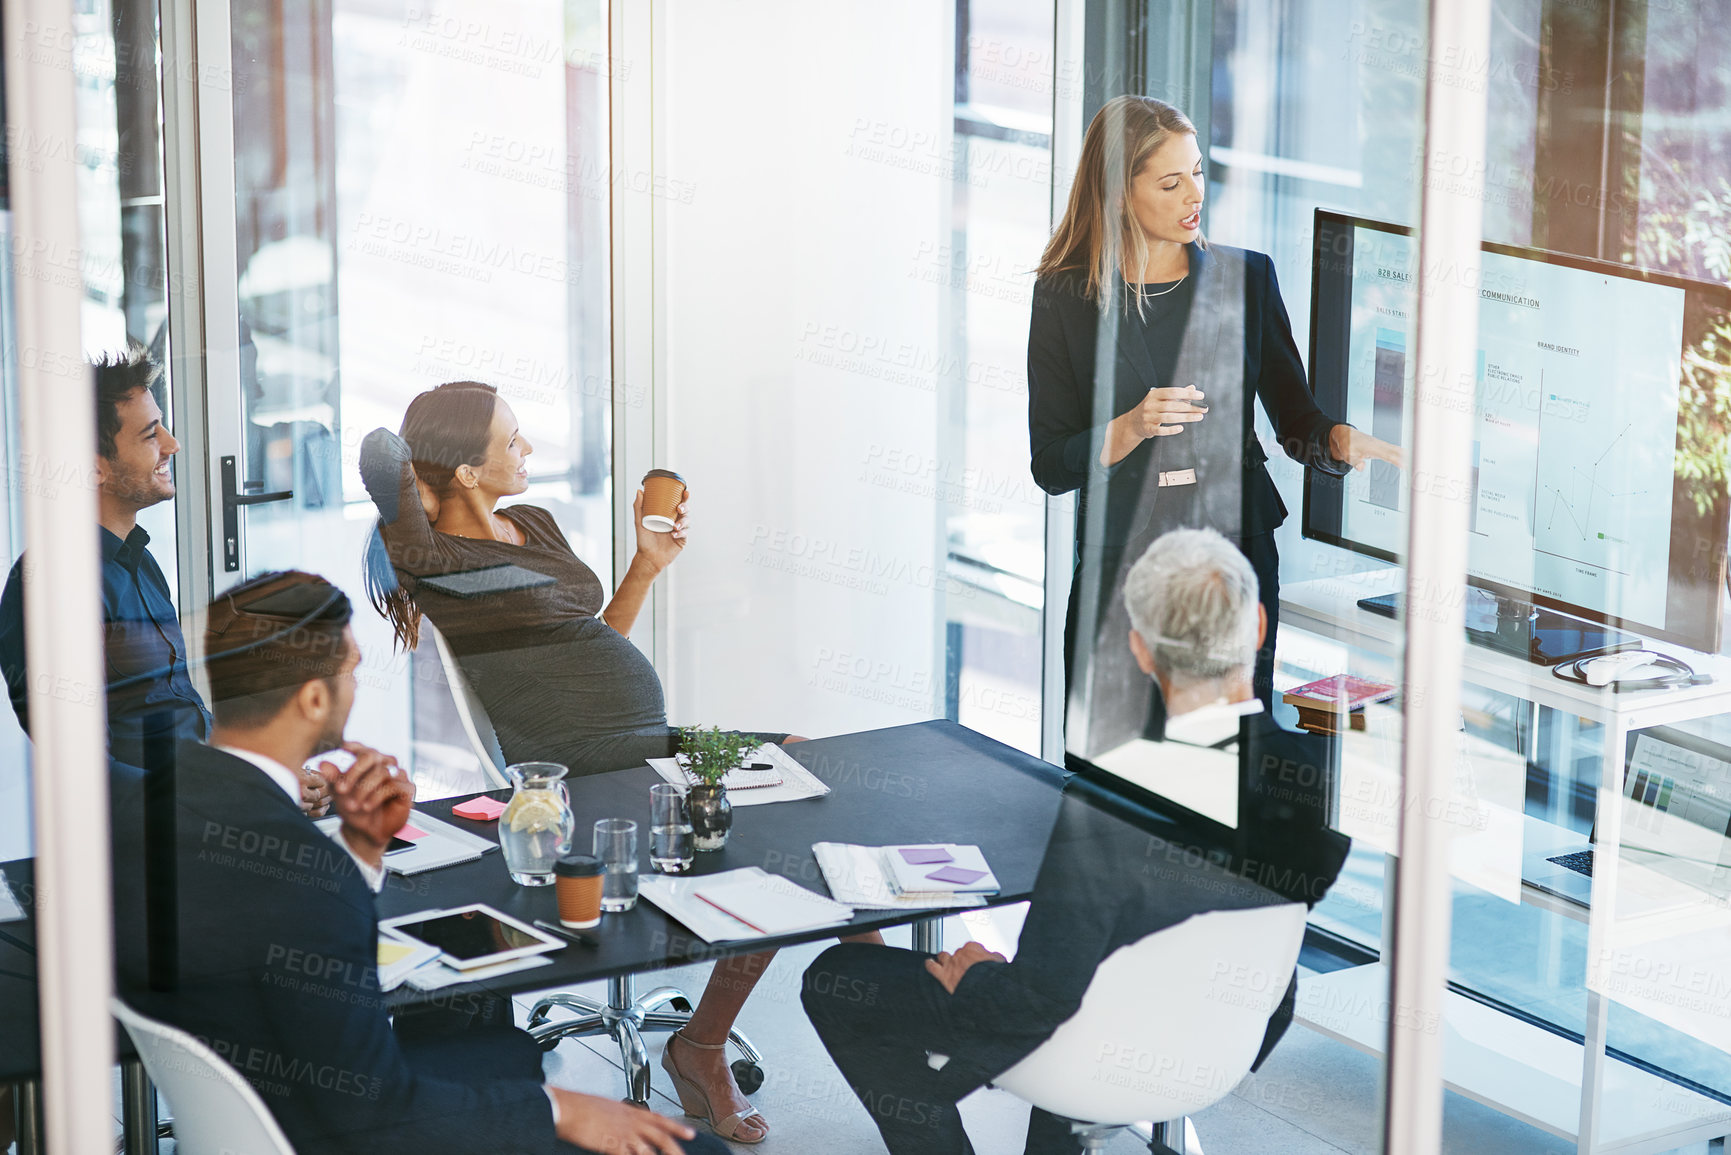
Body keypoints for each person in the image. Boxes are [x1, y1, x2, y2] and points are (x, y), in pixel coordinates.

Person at [361, 381, 871, 1144]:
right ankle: (708, 1047)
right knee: (775, 842)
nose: (527, 450)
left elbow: (588, 635)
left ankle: (878, 1003)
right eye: (511, 441)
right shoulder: (436, 558)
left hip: (653, 738)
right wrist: (423, 490)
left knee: (807, 766)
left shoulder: (530, 521)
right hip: (589, 759)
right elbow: (379, 451)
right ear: (466, 470)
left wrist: (646, 562)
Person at [116, 569, 726, 1155]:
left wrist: (362, 848)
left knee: (491, 1039)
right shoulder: (304, 874)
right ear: (311, 698)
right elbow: (378, 1119)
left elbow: (267, 930)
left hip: (260, 1100)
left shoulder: (152, 801)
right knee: (692, 1150)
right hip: (338, 1129)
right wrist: (564, 1111)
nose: (356, 687)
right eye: (351, 671)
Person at [801, 528, 1351, 1155]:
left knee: (836, 977)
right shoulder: (1320, 777)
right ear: (1257, 626)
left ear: (1141, 650)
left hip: (1087, 1050)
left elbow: (1036, 1003)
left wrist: (979, 976)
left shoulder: (1115, 797)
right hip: (1224, 1045)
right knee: (1096, 983)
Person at [1026, 96, 1401, 754]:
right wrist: (1131, 426)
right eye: (1170, 182)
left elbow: (1295, 421)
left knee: (1231, 753)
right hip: (1124, 558)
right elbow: (1051, 465)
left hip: (1234, 551)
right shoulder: (1066, 294)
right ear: (1117, 191)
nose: (1192, 194)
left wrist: (1337, 441)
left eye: (1198, 172)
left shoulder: (1244, 278)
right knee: (1105, 756)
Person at [0, 346, 331, 815]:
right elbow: (84, 774)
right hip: (154, 838)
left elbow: (179, 718)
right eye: (151, 434)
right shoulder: (54, 583)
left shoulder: (139, 560)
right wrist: (237, 796)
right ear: (95, 465)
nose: (172, 445)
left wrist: (266, 771)